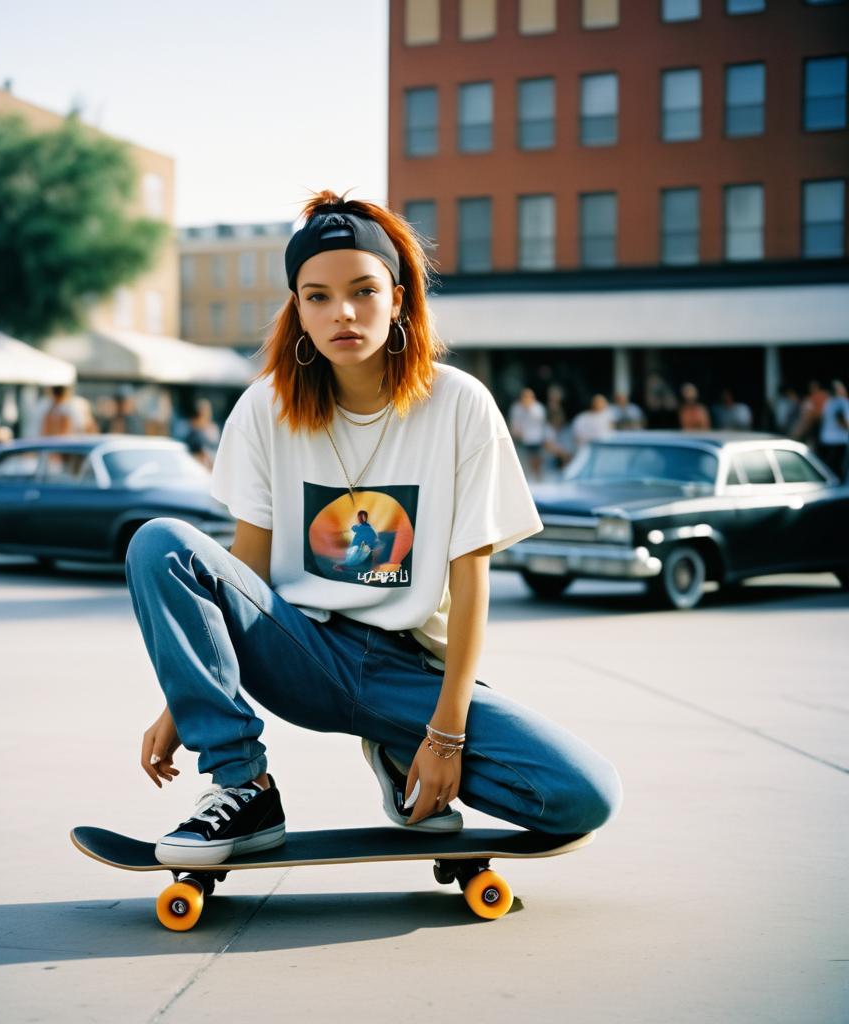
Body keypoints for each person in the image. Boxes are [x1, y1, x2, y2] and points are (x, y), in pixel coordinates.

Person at [124, 190, 622, 866]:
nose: (343, 313)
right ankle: (244, 786)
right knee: (160, 542)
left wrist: (444, 734)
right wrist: (186, 702)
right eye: (318, 296)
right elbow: (242, 574)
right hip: (304, 653)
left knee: (583, 795)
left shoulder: (459, 406)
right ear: (297, 309)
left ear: (399, 297)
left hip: (411, 670)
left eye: (363, 290)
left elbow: (471, 585)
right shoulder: (264, 410)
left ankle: (400, 751)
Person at [508, 388, 547, 480]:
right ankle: (524, 478)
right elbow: (514, 424)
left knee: (537, 459)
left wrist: (528, 408)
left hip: (536, 438)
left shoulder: (538, 408)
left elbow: (540, 422)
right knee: (523, 461)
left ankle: (538, 477)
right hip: (521, 439)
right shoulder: (516, 408)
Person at [816, 379, 849, 481]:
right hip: (838, 441)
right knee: (839, 470)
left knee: (829, 468)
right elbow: (843, 422)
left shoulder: (828, 402)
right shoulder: (842, 403)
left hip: (826, 439)